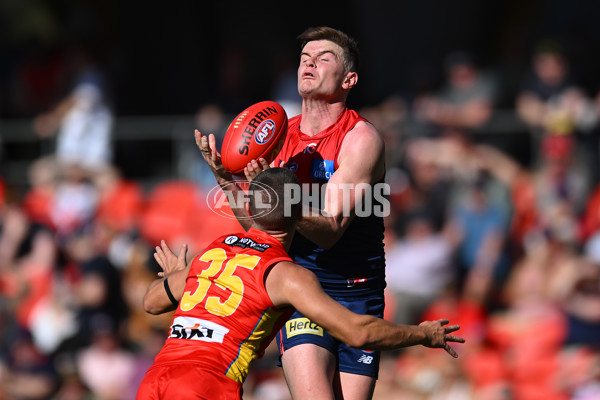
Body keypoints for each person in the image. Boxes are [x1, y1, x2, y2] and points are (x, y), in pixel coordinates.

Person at [136, 168, 464, 399]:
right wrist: (423, 334)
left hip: (156, 379)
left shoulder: (212, 251)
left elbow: (151, 302)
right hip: (207, 385)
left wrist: (179, 278)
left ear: (249, 207)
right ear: (298, 213)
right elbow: (359, 332)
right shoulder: (286, 275)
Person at [196, 27, 390, 398]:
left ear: (349, 79)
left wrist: (280, 198)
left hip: (358, 292)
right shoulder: (279, 139)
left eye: (323, 58)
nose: (309, 64)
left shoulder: (361, 139)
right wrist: (226, 182)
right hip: (302, 288)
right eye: (304, 58)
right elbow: (259, 229)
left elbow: (331, 229)